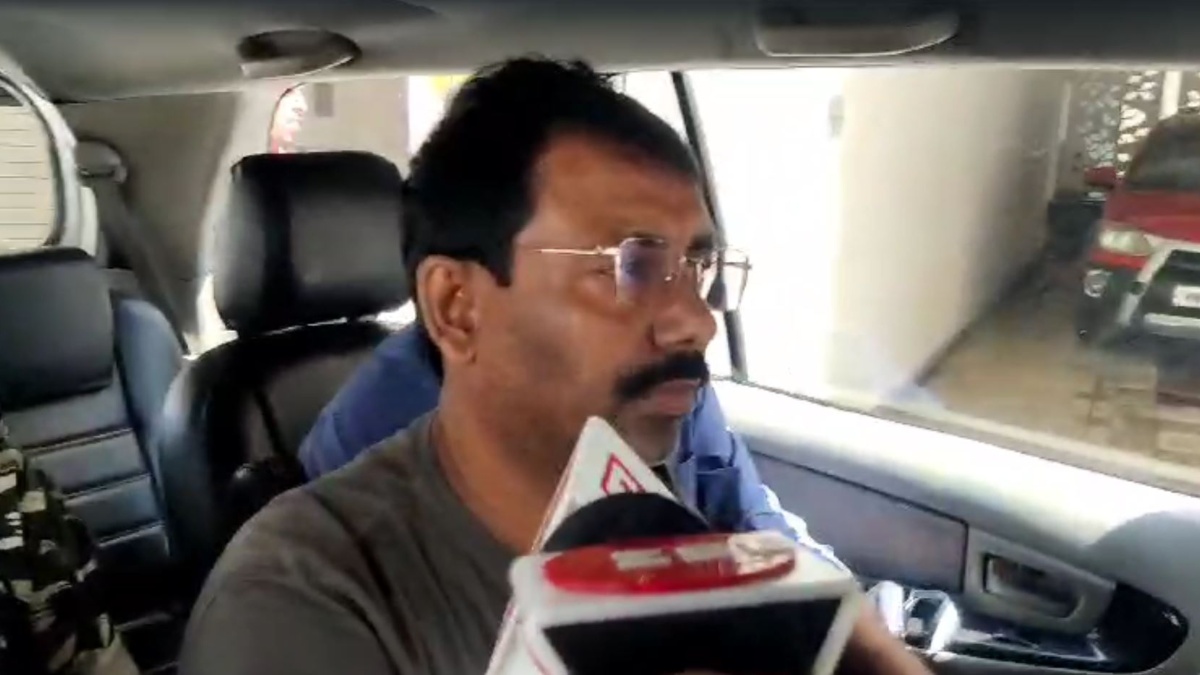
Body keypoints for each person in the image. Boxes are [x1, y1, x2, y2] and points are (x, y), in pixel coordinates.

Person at [180, 57, 930, 675]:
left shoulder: (669, 475)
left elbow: (773, 547)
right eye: (632, 264)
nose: (698, 320)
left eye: (699, 267)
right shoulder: (300, 600)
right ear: (458, 308)